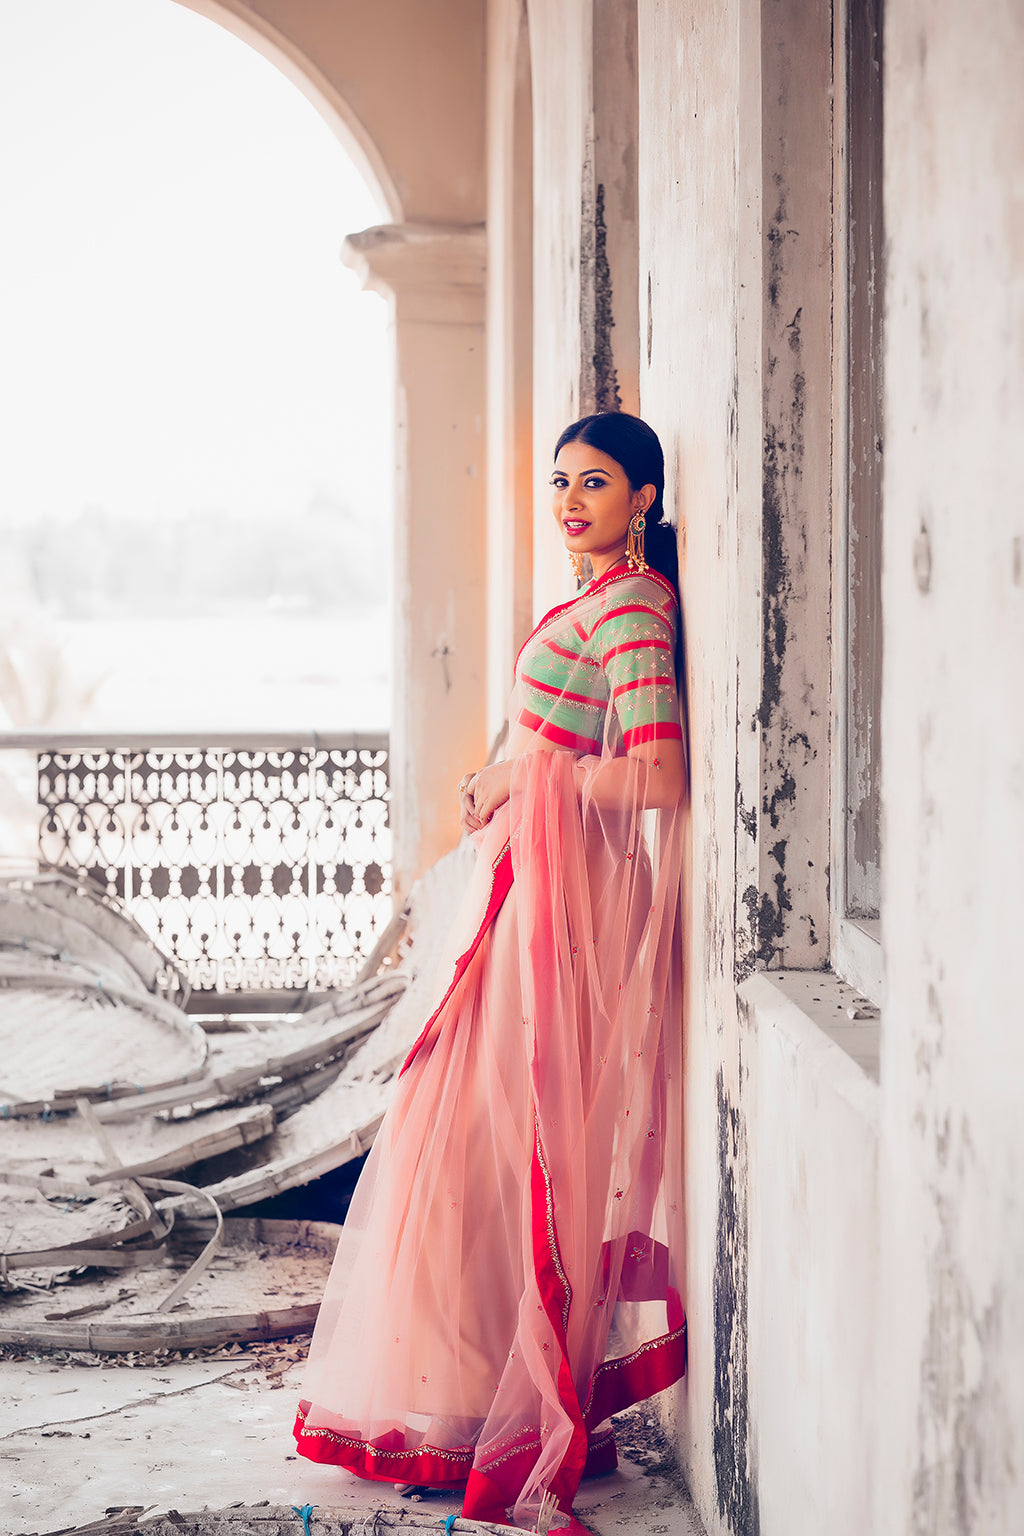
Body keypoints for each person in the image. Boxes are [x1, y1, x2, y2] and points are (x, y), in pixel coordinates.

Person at [294, 412, 688, 1534]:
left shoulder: (633, 608)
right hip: (526, 893)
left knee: (494, 1145)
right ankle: (463, 1403)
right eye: (561, 479)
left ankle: (499, 1413)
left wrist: (527, 788)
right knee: (458, 1137)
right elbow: (553, 742)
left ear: (643, 500)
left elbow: (654, 776)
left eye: (597, 482)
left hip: (564, 905)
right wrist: (505, 775)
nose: (572, 498)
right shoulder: (590, 599)